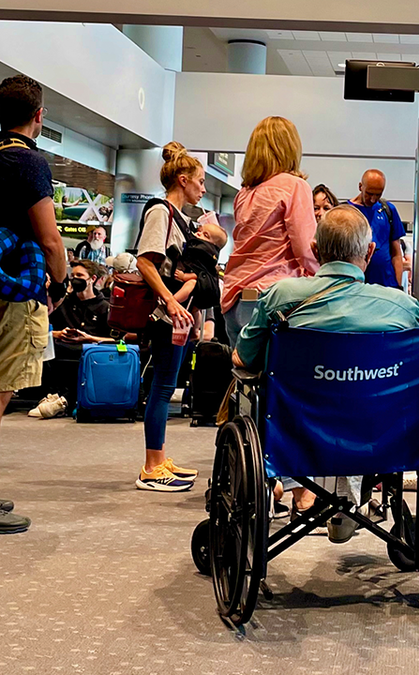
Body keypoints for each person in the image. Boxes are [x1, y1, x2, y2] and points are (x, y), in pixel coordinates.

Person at [233, 205, 419, 540]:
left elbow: (246, 358)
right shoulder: (402, 308)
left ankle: (295, 492)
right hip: (383, 435)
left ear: (315, 251)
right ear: (369, 251)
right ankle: (348, 503)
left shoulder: (282, 296)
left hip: (299, 431)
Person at [0, 74, 66, 534]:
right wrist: (60, 281)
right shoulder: (28, 163)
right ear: (38, 116)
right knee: (2, 388)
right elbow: (49, 238)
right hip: (15, 291)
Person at [132, 142, 206, 492]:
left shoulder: (179, 217)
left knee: (165, 384)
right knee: (161, 387)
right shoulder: (160, 212)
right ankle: (151, 465)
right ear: (183, 179)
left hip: (174, 314)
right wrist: (170, 302)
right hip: (163, 314)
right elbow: (144, 261)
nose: (203, 188)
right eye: (200, 181)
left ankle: (159, 457)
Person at [222, 116, 320, 350]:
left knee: (244, 380)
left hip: (234, 300)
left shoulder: (244, 193)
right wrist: (327, 277)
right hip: (272, 299)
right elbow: (306, 250)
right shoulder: (295, 186)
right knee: (277, 380)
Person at [29, 259, 112, 419]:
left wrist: (89, 338)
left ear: (92, 279)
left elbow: (113, 340)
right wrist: (57, 334)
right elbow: (42, 329)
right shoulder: (63, 304)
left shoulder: (104, 307)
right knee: (45, 344)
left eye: (80, 275)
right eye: (72, 275)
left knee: (89, 355)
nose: (75, 279)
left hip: (89, 350)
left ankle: (65, 398)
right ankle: (58, 395)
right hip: (62, 346)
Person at [349, 169, 408, 289]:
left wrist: (398, 286)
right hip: (357, 285)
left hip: (387, 284)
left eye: (378, 194)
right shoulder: (346, 211)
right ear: (360, 187)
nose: (373, 199)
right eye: (369, 194)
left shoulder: (388, 210)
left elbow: (396, 253)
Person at [172, 223, 227, 311]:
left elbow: (199, 274)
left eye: (205, 235)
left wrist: (184, 276)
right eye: (199, 231)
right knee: (195, 309)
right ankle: (196, 324)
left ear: (213, 245)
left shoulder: (204, 255)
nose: (198, 234)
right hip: (205, 292)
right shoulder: (203, 253)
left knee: (191, 283)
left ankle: (174, 301)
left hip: (207, 288)